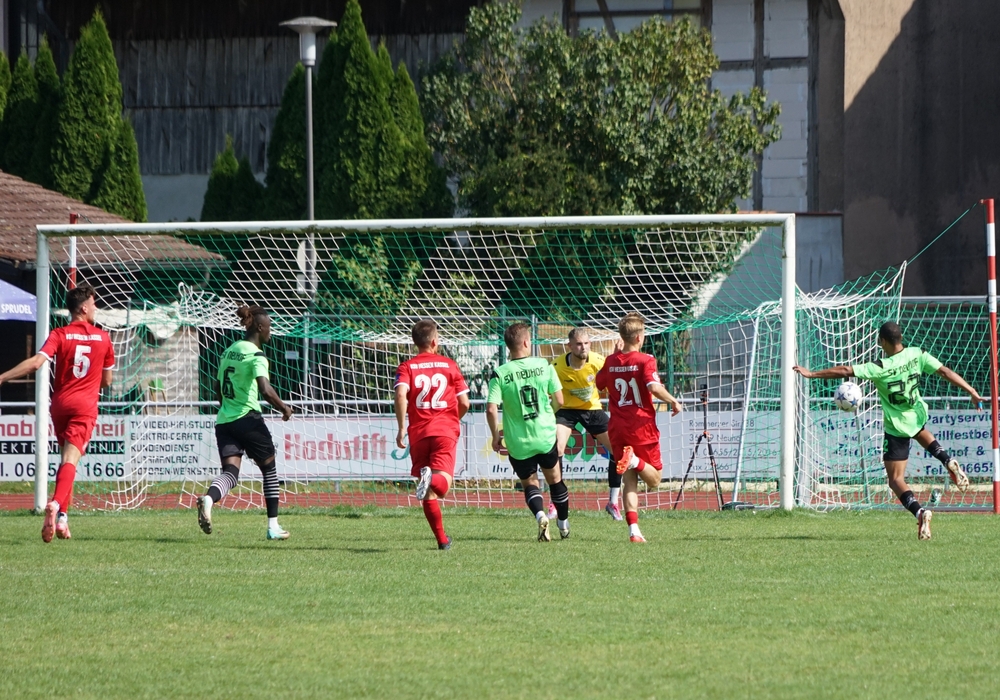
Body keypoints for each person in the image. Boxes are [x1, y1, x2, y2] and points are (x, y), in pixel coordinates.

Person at [793, 321, 982, 540]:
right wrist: (971, 390)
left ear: (882, 341)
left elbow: (846, 370)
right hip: (916, 412)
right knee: (919, 430)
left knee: (895, 479)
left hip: (897, 425)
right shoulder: (917, 354)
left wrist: (812, 374)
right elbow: (944, 371)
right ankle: (947, 460)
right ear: (900, 337)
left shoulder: (879, 367)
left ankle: (920, 512)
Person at [0, 284, 114, 542]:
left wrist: (3, 377)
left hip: (60, 405)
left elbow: (36, 363)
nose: (96, 308)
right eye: (93, 304)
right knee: (71, 461)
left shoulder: (59, 334)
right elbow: (107, 381)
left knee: (66, 462)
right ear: (83, 308)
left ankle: (63, 520)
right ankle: (55, 505)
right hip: (84, 407)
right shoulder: (104, 338)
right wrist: (90, 381)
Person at [197, 305, 293, 540]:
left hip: (225, 421)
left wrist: (228, 409)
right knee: (269, 470)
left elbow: (218, 387)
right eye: (269, 327)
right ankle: (273, 527)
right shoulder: (256, 355)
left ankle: (209, 499)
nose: (270, 331)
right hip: (248, 419)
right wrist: (284, 408)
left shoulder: (229, 351)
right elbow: (265, 389)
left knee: (230, 473)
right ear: (259, 327)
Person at [596, 313, 682, 543]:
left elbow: (599, 383)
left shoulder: (611, 361)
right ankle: (634, 460)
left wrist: (613, 358)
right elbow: (653, 387)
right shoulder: (646, 360)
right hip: (641, 427)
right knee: (654, 481)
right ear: (638, 337)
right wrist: (673, 400)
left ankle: (634, 531)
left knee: (630, 482)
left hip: (618, 429)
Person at [487, 322, 568, 541]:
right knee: (555, 480)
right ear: (525, 342)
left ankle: (541, 515)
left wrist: (496, 436)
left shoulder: (500, 374)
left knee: (530, 484)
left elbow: (491, 409)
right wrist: (548, 414)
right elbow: (560, 400)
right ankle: (563, 525)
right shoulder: (544, 365)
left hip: (518, 441)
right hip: (544, 435)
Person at [394, 319, 471, 550]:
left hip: (418, 434)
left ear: (415, 342)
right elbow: (465, 403)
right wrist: (452, 419)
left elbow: (400, 395)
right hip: (444, 431)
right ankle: (431, 478)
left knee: (427, 491)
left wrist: (401, 428)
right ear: (435, 341)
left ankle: (442, 540)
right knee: (441, 486)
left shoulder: (406, 367)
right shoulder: (450, 365)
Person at [551, 327, 621, 520]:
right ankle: (556, 501)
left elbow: (612, 378)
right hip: (566, 411)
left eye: (586, 343)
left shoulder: (598, 361)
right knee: (556, 449)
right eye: (579, 344)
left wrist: (616, 357)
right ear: (569, 346)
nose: (583, 347)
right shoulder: (556, 366)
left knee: (618, 450)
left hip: (592, 410)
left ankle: (613, 502)